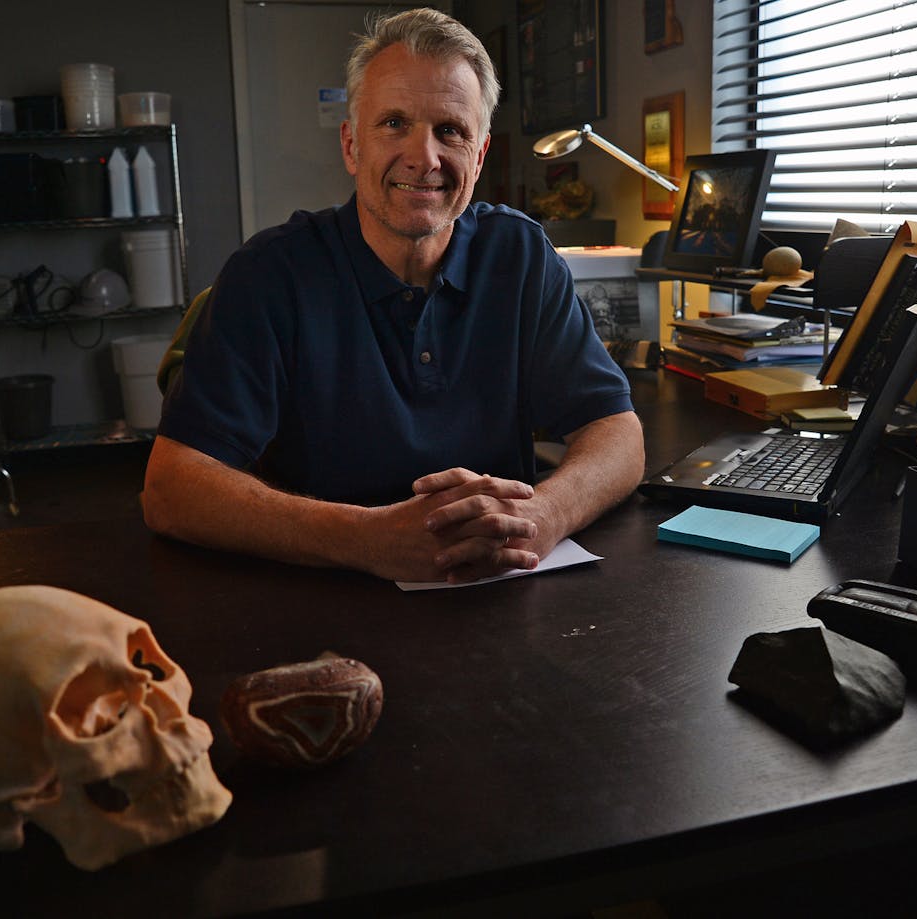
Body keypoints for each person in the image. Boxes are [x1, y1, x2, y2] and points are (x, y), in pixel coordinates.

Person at [143, 8, 644, 584]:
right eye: (394, 124)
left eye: (450, 131)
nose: (423, 157)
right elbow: (171, 488)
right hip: (321, 597)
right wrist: (369, 538)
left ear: (479, 158)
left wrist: (542, 515)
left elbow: (616, 432)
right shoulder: (268, 274)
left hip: (498, 590)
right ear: (352, 146)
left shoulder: (522, 257)